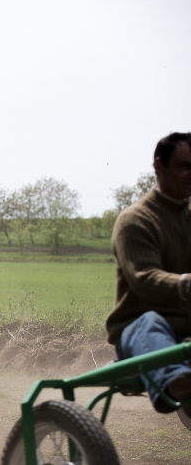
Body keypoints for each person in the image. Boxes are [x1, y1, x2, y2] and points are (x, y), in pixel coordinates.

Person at [108, 132, 191, 415]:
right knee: (150, 321)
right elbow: (144, 278)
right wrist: (186, 284)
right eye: (184, 166)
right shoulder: (135, 220)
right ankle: (177, 381)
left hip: (186, 334)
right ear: (159, 166)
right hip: (139, 331)